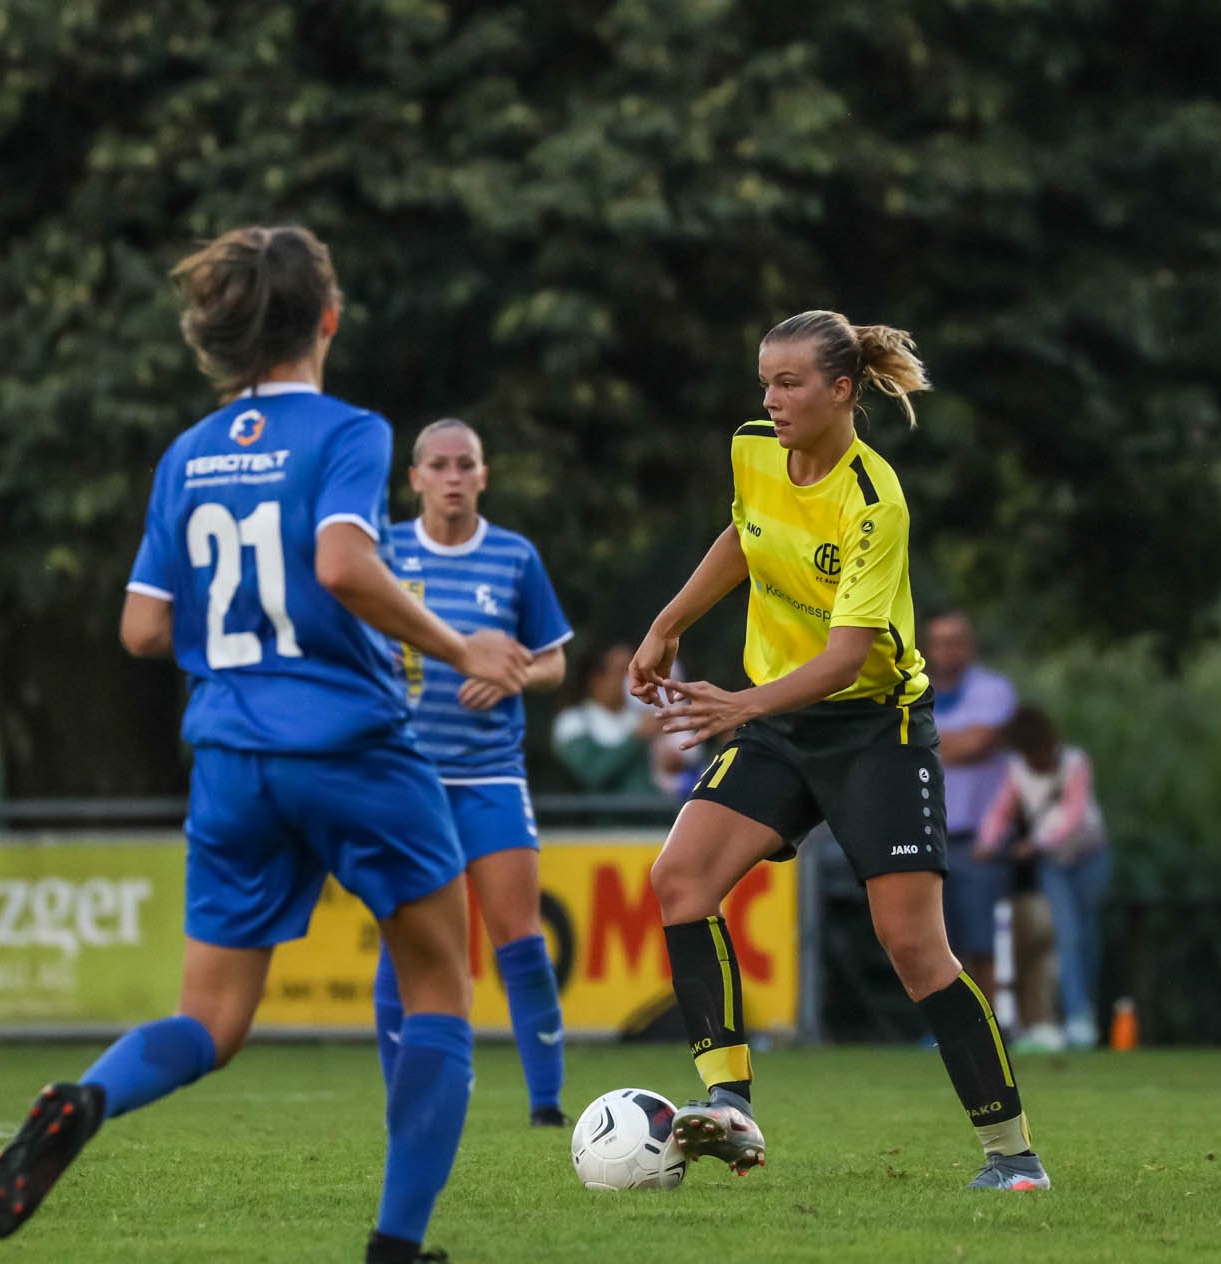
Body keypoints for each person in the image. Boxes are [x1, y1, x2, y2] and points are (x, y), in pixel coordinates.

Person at [0, 225, 529, 1264]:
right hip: (352, 745)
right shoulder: (351, 431)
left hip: (228, 752)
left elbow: (141, 630)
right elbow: (340, 564)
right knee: (437, 984)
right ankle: (394, 1248)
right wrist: (464, 645)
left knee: (210, 1018)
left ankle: (87, 1095)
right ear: (326, 317)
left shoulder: (186, 453)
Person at [627, 309, 1049, 1191]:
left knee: (913, 948)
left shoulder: (874, 499)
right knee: (680, 880)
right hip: (783, 722)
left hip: (874, 729)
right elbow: (747, 536)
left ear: (842, 390)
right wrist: (669, 623)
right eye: (765, 382)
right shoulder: (752, 447)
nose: (771, 400)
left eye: (789, 384)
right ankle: (731, 1107)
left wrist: (739, 704)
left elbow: (848, 658)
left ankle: (1013, 1158)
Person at [374, 418, 574, 1126]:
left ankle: (547, 1104)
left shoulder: (514, 558)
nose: (453, 477)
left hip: (490, 774)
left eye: (466, 464)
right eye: (439, 465)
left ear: (484, 475)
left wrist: (518, 674)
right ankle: (406, 1098)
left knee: (517, 934)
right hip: (407, 777)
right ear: (416, 477)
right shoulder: (384, 553)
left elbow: (554, 659)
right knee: (408, 937)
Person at [974, 705, 1110, 1050]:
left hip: (1088, 857)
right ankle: (1077, 1017)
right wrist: (988, 842)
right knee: (1067, 936)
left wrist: (1034, 843)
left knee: (1087, 937)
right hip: (1053, 864)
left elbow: (1073, 815)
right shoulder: (1018, 770)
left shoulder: (1075, 763)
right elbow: (1001, 811)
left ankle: (1087, 1011)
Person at [927, 611, 1018, 999]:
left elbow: (977, 744)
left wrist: (921, 742)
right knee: (936, 940)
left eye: (956, 641)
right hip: (929, 834)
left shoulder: (994, 690)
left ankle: (992, 1021)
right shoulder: (915, 689)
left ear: (970, 645)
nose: (948, 651)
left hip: (979, 839)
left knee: (984, 940)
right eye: (940, 642)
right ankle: (949, 1025)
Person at [551, 642, 660, 795]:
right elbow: (592, 773)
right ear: (597, 679)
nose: (631, 679)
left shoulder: (639, 719)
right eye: (622, 671)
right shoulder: (573, 722)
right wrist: (637, 737)